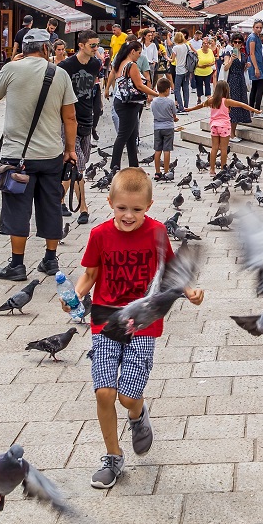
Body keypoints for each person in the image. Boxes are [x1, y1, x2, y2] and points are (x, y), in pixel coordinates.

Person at [71, 167, 204, 490]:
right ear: (110, 202)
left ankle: (138, 413)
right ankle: (113, 457)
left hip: (144, 321)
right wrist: (75, 295)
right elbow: (89, 274)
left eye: (136, 209)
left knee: (128, 397)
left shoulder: (157, 233)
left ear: (149, 206)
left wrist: (189, 291)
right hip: (106, 321)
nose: (128, 215)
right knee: (105, 392)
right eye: (122, 208)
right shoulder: (100, 235)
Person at [0, 27, 77, 281]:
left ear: (23, 50)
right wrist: (70, 150)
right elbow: (69, 116)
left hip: (18, 157)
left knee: (17, 207)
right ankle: (50, 259)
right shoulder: (59, 74)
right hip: (51, 155)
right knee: (51, 205)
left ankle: (17, 265)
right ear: (47, 49)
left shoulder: (11, 69)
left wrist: (9, 65)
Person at [61, 30, 103, 227]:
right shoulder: (66, 66)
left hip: (87, 120)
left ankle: (59, 200)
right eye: (92, 45)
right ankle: (83, 208)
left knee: (78, 165)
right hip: (69, 122)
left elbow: (94, 90)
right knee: (78, 167)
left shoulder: (96, 64)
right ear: (81, 46)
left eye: (97, 45)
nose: (96, 48)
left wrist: (96, 113)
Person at [105, 37, 153, 171]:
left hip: (121, 101)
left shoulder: (121, 62)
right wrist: (155, 93)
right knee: (123, 135)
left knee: (132, 136)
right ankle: (114, 167)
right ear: (132, 51)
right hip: (129, 103)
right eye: (139, 53)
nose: (140, 55)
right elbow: (139, 85)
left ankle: (134, 166)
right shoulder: (131, 65)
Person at [206, 67, 255, 174]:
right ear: (226, 90)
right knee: (223, 149)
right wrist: (254, 110)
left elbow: (200, 105)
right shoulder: (227, 101)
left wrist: (189, 109)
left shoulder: (212, 100)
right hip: (224, 126)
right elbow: (241, 104)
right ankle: (223, 169)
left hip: (214, 126)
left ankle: (212, 169)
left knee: (214, 148)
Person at [149, 76, 177, 178]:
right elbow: (174, 114)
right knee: (167, 150)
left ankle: (157, 172)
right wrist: (174, 118)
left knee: (157, 150)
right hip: (168, 127)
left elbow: (153, 112)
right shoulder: (170, 102)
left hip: (157, 127)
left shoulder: (154, 102)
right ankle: (166, 171)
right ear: (166, 90)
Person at [244, 19, 263, 110]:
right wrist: (256, 68)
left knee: (255, 87)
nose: (259, 29)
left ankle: (252, 108)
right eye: (257, 27)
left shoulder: (256, 37)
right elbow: (252, 53)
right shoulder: (253, 37)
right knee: (260, 86)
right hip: (255, 64)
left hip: (258, 63)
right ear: (253, 27)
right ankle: (256, 108)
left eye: (260, 28)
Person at [169, 31, 191, 112]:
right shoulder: (186, 46)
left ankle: (180, 107)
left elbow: (172, 60)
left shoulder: (175, 47)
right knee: (186, 88)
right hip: (187, 70)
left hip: (179, 70)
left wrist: (167, 58)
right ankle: (186, 106)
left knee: (177, 89)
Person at [191, 36, 216, 102]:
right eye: (204, 43)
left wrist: (210, 64)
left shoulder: (210, 51)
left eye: (207, 43)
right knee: (199, 85)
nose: (206, 44)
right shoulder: (198, 51)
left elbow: (213, 61)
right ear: (202, 45)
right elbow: (194, 62)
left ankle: (208, 97)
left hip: (208, 71)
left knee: (207, 84)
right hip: (199, 71)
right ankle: (199, 97)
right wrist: (200, 66)